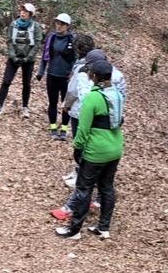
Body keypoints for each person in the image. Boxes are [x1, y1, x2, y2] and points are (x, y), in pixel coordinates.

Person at [53, 47, 129, 221]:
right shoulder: (116, 90)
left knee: (84, 181)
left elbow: (84, 127)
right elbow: (121, 106)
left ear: (94, 73)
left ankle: (73, 218)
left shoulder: (91, 95)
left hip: (95, 141)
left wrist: (78, 147)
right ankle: (103, 226)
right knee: (106, 185)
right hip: (114, 142)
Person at [0, 3, 44, 118]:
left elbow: (37, 44)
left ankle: (25, 107)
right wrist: (13, 56)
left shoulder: (36, 27)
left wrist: (28, 58)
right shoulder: (14, 24)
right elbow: (9, 41)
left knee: (26, 83)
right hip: (14, 58)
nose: (23, 13)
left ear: (31, 14)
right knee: (6, 81)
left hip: (28, 60)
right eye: (22, 11)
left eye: (26, 12)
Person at [37, 13, 77, 137]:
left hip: (66, 77)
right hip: (52, 74)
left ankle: (64, 128)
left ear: (68, 26)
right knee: (52, 102)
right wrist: (41, 71)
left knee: (66, 104)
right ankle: (53, 127)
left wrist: (74, 73)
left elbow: (76, 58)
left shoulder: (73, 39)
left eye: (62, 24)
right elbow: (45, 55)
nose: (59, 26)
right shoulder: (51, 37)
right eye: (57, 23)